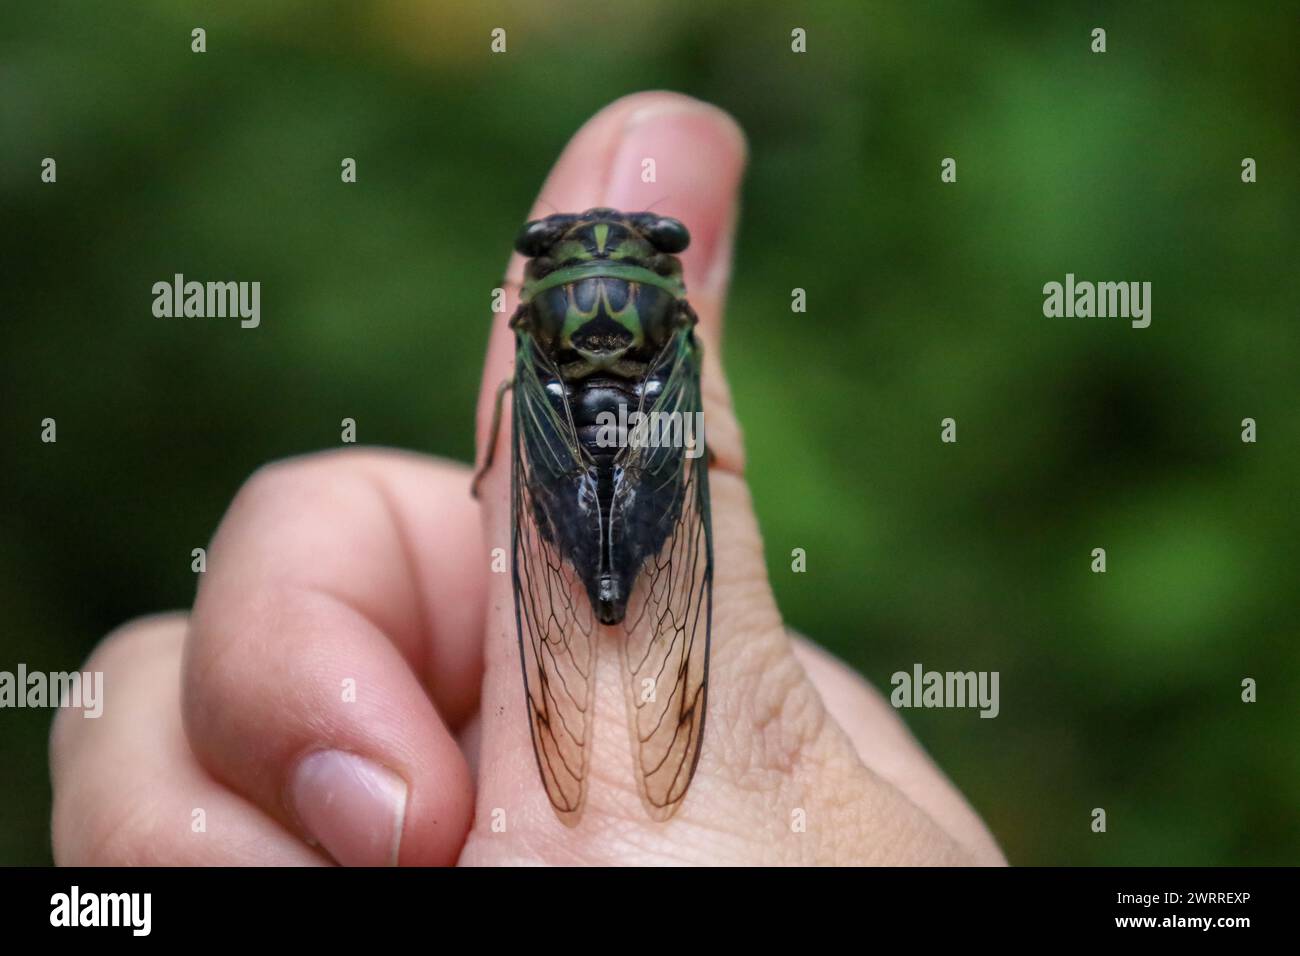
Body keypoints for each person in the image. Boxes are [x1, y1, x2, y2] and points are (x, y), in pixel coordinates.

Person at [49, 92, 1004, 867]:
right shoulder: (672, 327)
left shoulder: (530, 339)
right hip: (655, 491)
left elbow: (512, 413)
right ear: (680, 294)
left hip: (552, 458)